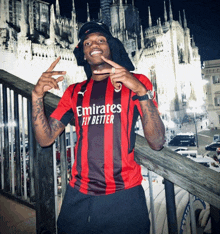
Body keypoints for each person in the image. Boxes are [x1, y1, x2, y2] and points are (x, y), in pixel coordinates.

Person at [32, 21, 165, 234]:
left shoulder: (137, 82)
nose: (94, 44)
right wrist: (37, 96)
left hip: (125, 196)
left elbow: (157, 142)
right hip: (78, 195)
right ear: (83, 54)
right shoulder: (75, 92)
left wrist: (141, 91)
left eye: (101, 40)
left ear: (110, 47)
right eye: (87, 43)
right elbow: (45, 139)